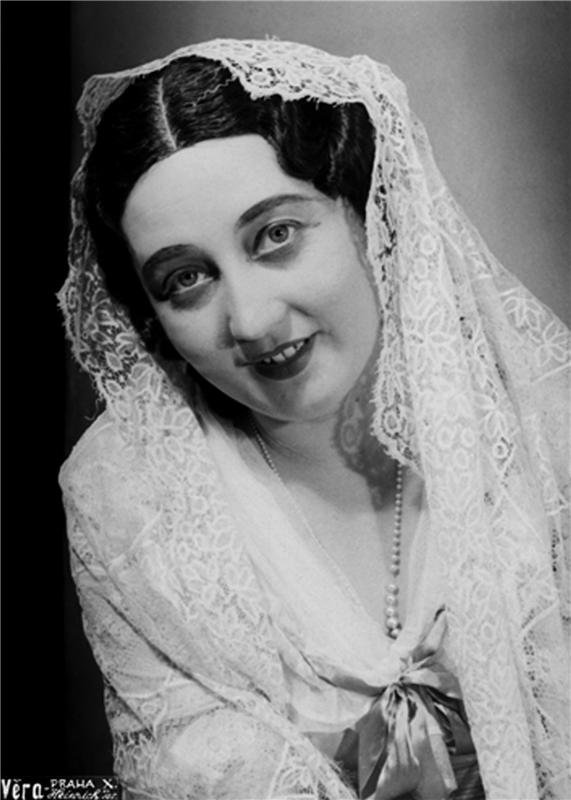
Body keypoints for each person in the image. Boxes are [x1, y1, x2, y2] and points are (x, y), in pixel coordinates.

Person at [59, 38, 570, 800]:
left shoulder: (540, 422)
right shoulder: (127, 499)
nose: (251, 319)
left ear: (367, 214)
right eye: (186, 279)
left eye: (275, 236)